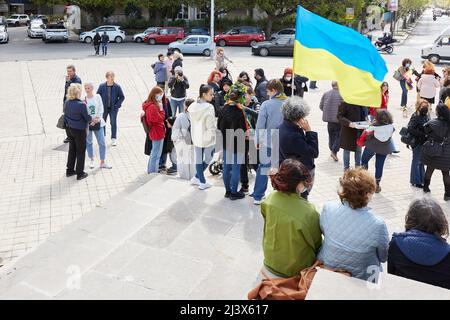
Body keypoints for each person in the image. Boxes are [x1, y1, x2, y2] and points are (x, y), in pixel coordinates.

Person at [318, 168, 389, 281]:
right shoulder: (378, 224)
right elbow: (383, 257)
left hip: (329, 266)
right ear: (367, 194)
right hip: (363, 276)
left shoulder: (328, 208)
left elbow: (324, 231)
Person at [260, 159, 322, 278]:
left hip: (270, 260)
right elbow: (317, 243)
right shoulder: (308, 211)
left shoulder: (270, 198)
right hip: (295, 269)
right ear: (299, 184)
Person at [388, 197, 450, 290]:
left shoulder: (396, 244)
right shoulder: (447, 253)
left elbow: (391, 275)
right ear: (441, 221)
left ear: (410, 218)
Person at [252, 79, 287, 205]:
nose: (267, 94)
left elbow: (260, 125)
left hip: (268, 140)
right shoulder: (289, 103)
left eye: (268, 91)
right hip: (285, 140)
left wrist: (257, 140)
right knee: (283, 168)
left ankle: (257, 195)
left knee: (264, 168)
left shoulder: (266, 104)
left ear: (274, 90)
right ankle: (282, 195)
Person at [279, 96, 319, 198]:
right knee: (302, 197)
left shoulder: (281, 127)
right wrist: (309, 131)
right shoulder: (293, 136)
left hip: (286, 168)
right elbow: (314, 152)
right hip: (299, 174)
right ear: (299, 116)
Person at [217, 83, 248, 200]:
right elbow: (243, 130)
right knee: (235, 168)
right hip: (238, 142)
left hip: (226, 140)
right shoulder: (240, 111)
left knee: (226, 167)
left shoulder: (224, 108)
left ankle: (228, 191)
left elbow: (219, 126)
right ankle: (234, 193)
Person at [360, 109, 395, 193]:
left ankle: (365, 180)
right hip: (385, 148)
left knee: (364, 161)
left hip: (372, 146)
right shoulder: (391, 127)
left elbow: (367, 132)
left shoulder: (374, 126)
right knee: (379, 165)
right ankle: (377, 184)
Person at [189, 85, 216, 190]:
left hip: (196, 135)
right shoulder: (209, 107)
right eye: (211, 94)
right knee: (209, 156)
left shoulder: (192, 106)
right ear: (204, 94)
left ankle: (198, 178)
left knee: (199, 159)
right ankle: (202, 181)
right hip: (207, 136)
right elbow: (210, 125)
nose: (212, 96)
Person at [422, 103, 450, 201]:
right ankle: (447, 194)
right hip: (447, 153)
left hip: (433, 151)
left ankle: (426, 188)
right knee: (446, 173)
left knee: (429, 169)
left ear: (438, 112)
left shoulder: (432, 123)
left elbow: (425, 132)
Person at [64, 83, 91, 180]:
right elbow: (87, 118)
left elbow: (65, 115)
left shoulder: (67, 102)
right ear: (77, 93)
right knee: (80, 151)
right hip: (79, 131)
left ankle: (69, 170)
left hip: (69, 129)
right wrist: (92, 118)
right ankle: (80, 173)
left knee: (72, 149)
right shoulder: (81, 105)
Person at [83, 83, 112, 170]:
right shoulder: (83, 99)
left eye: (88, 88)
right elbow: (84, 112)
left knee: (102, 142)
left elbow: (101, 108)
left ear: (92, 88)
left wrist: (97, 118)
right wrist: (90, 121)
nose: (87, 90)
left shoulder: (97, 96)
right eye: (86, 88)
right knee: (89, 142)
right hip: (88, 124)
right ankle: (91, 160)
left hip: (98, 122)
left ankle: (102, 162)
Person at [240, 85, 260, 194]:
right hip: (241, 136)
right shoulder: (240, 105)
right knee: (242, 163)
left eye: (245, 94)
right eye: (242, 95)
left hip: (253, 137)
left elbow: (258, 114)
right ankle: (245, 186)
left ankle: (258, 187)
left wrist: (245, 109)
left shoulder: (255, 104)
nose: (244, 97)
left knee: (255, 162)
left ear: (251, 95)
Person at [97, 71, 125, 146]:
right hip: (104, 109)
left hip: (113, 109)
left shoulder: (117, 87)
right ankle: (102, 137)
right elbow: (97, 96)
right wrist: (99, 106)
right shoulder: (102, 86)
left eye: (113, 76)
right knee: (102, 123)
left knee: (113, 123)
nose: (112, 78)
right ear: (107, 78)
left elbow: (122, 97)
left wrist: (117, 105)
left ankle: (113, 138)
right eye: (110, 76)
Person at [337, 102, 368, 170]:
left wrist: (367, 120)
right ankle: (346, 168)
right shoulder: (345, 103)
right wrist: (349, 123)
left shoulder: (363, 103)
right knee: (347, 150)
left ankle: (358, 167)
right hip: (348, 131)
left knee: (359, 150)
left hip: (360, 130)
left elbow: (365, 114)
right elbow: (339, 116)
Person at [408, 99, 431, 188]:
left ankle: (421, 179)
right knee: (417, 161)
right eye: (423, 107)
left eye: (426, 106)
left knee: (422, 161)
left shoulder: (427, 115)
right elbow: (410, 128)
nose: (424, 108)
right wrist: (422, 134)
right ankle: (415, 181)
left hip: (424, 142)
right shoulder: (415, 116)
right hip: (417, 142)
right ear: (418, 107)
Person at [142, 86, 166, 174]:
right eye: (160, 94)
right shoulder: (152, 107)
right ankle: (152, 172)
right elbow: (160, 119)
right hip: (157, 132)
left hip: (156, 131)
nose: (161, 96)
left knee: (154, 153)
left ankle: (151, 170)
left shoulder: (150, 104)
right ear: (155, 94)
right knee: (155, 154)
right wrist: (161, 109)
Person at [171, 99, 196, 180]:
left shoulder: (181, 116)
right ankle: (193, 177)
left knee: (183, 161)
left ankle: (185, 178)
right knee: (193, 161)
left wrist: (174, 139)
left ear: (186, 106)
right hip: (194, 142)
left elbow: (175, 129)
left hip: (183, 142)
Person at [319, 81, 343, 161]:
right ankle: (334, 151)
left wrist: (327, 112)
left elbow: (321, 106)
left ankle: (332, 151)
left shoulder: (326, 93)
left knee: (331, 136)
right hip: (338, 120)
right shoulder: (342, 94)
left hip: (329, 120)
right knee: (339, 136)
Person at [158, 92, 177, 174]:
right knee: (160, 147)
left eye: (161, 93)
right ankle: (160, 164)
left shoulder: (166, 101)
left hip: (167, 127)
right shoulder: (153, 103)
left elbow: (169, 113)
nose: (160, 96)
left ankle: (163, 164)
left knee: (166, 147)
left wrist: (168, 123)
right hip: (159, 128)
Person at [63, 65, 82, 143]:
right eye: (68, 71)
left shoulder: (77, 79)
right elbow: (66, 90)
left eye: (70, 71)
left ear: (74, 71)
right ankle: (69, 136)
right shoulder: (69, 79)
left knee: (73, 119)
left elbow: (75, 90)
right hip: (66, 101)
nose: (69, 73)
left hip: (73, 102)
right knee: (66, 119)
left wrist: (69, 81)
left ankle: (73, 136)